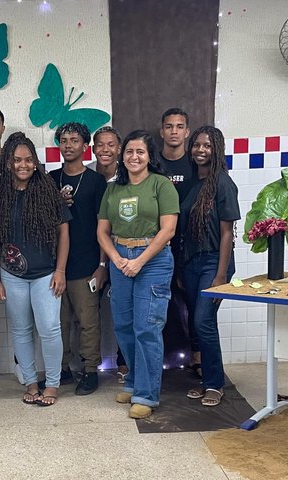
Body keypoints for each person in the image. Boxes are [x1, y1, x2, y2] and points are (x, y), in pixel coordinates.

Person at [0, 132, 71, 407]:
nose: (23, 165)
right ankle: (31, 383)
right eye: (17, 160)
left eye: (29, 160)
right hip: (12, 276)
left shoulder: (48, 193)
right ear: (8, 163)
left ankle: (52, 384)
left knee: (50, 329)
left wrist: (60, 271)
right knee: (21, 330)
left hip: (46, 275)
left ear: (35, 162)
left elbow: (64, 233)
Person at [96, 130, 178, 419]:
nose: (134, 157)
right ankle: (132, 381)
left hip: (153, 261)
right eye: (129, 152)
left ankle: (146, 394)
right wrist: (117, 259)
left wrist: (140, 261)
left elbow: (168, 230)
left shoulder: (161, 185)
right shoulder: (113, 189)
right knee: (124, 325)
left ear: (149, 156)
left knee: (147, 327)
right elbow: (102, 232)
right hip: (120, 260)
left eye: (140, 152)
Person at [180, 126, 240, 408]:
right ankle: (206, 381)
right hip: (191, 263)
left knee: (203, 322)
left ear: (217, 149)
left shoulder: (223, 183)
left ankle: (215, 384)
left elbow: (228, 233)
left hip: (215, 262)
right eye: (196, 145)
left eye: (207, 145)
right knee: (199, 323)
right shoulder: (194, 183)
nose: (200, 150)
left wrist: (220, 275)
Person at [48, 122, 107, 396]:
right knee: (57, 323)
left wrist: (102, 265)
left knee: (88, 322)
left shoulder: (96, 181)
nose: (68, 145)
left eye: (74, 140)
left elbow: (104, 226)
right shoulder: (50, 179)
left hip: (87, 264)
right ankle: (61, 369)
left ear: (85, 146)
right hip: (55, 266)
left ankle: (91, 371)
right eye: (64, 140)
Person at [159, 107, 200, 378]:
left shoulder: (195, 166)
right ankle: (156, 360)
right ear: (162, 131)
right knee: (159, 305)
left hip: (190, 248)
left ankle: (197, 357)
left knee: (194, 305)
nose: (174, 131)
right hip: (158, 247)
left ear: (187, 132)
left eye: (179, 126)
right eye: (169, 126)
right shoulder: (153, 164)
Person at [89, 126, 128, 382]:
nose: (105, 150)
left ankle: (125, 362)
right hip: (90, 253)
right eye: (100, 145)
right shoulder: (87, 175)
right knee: (89, 314)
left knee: (124, 311)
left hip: (123, 253)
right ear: (93, 149)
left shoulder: (128, 176)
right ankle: (87, 367)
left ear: (119, 149)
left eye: (111, 145)